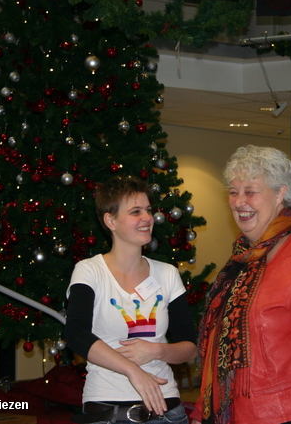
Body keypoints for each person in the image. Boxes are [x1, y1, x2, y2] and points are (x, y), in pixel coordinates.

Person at [190, 145, 291, 424]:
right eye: (233, 191)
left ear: (281, 193)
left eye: (250, 191)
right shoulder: (241, 261)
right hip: (228, 414)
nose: (239, 202)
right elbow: (217, 347)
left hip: (283, 416)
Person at [65, 176, 197, 424]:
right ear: (110, 220)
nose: (147, 218)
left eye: (148, 210)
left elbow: (189, 346)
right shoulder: (90, 271)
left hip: (167, 411)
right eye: (135, 212)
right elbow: (76, 334)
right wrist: (134, 372)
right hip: (108, 410)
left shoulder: (167, 273)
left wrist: (157, 350)